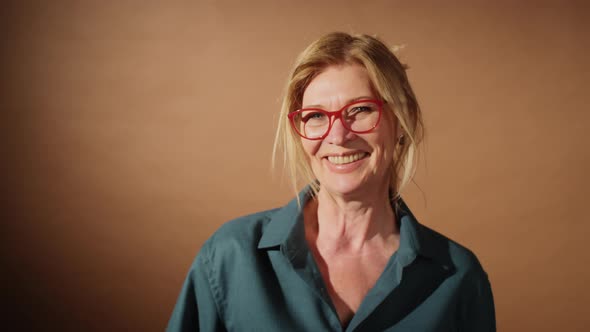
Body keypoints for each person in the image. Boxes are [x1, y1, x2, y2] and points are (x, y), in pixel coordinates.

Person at [167, 32, 496, 331]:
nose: (338, 135)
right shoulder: (230, 257)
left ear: (401, 121)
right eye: (316, 116)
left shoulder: (458, 277)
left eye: (361, 110)